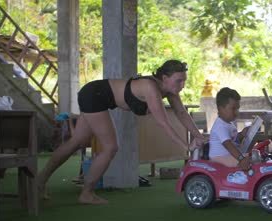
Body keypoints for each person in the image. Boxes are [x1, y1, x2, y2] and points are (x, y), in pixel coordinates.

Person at [38, 60, 205, 204]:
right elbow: (163, 123)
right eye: (178, 81)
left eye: (184, 81)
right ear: (164, 78)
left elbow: (182, 114)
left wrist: (199, 136)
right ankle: (87, 193)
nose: (182, 85)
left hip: (95, 96)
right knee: (110, 147)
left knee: (77, 142)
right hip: (94, 95)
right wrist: (186, 146)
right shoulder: (150, 87)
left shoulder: (170, 92)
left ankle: (40, 181)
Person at [209, 87, 251, 170]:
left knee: (251, 156)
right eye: (233, 109)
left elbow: (234, 141)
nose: (236, 112)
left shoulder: (229, 124)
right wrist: (241, 159)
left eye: (238, 108)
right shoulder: (220, 126)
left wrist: (242, 134)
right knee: (250, 162)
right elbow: (228, 144)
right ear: (221, 109)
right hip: (220, 158)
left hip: (227, 155)